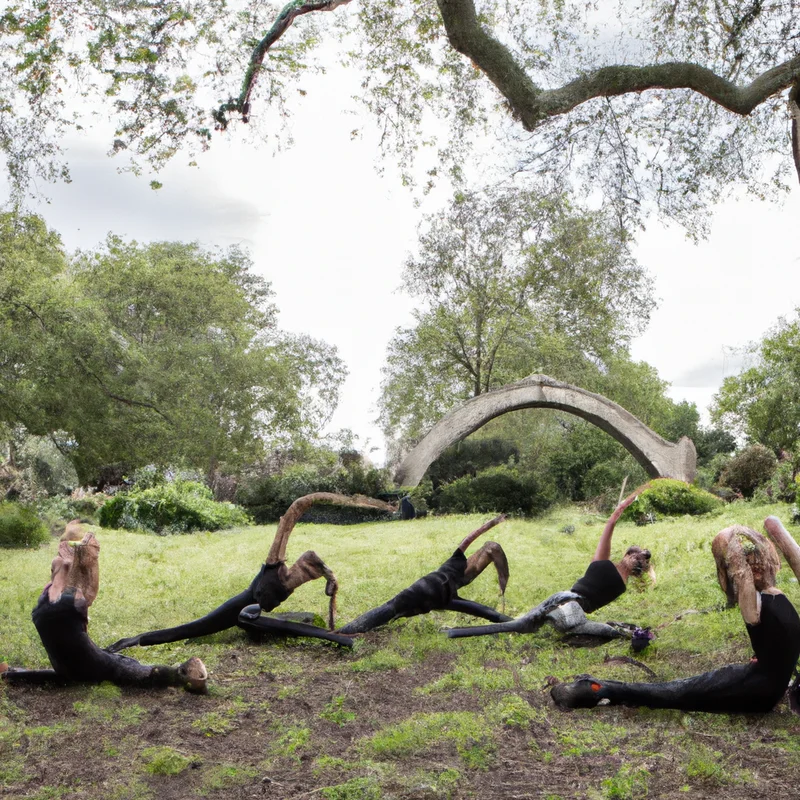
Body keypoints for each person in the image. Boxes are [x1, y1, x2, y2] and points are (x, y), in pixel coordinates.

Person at [551, 518, 800, 713]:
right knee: (671, 692)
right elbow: (733, 557)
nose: (754, 566)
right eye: (749, 562)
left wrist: (769, 531)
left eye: (758, 559)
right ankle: (593, 689)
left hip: (761, 692)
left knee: (674, 692)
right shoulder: (752, 603)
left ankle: (595, 689)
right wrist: (751, 532)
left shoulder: (775, 594)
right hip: (755, 687)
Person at [1, 524, 207, 692]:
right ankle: (182, 676)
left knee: (77, 669)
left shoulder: (52, 589)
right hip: (81, 660)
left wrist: (13, 674)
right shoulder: (75, 598)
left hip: (59, 649)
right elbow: (86, 600)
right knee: (125, 668)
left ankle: (8, 674)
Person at [446, 484, 654, 641]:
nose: (636, 559)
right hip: (567, 599)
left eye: (640, 560)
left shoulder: (621, 584)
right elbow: (610, 523)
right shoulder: (604, 562)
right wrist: (624, 506)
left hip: (575, 611)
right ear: (627, 554)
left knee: (526, 625)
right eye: (635, 555)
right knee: (520, 623)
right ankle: (455, 630)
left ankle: (457, 630)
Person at [336, 514, 510, 635]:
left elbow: (472, 538)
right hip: (431, 592)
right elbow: (471, 538)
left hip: (433, 591)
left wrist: (493, 523)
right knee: (393, 609)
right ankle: (345, 632)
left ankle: (346, 631)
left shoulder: (455, 563)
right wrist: (494, 522)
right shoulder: (457, 560)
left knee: (393, 609)